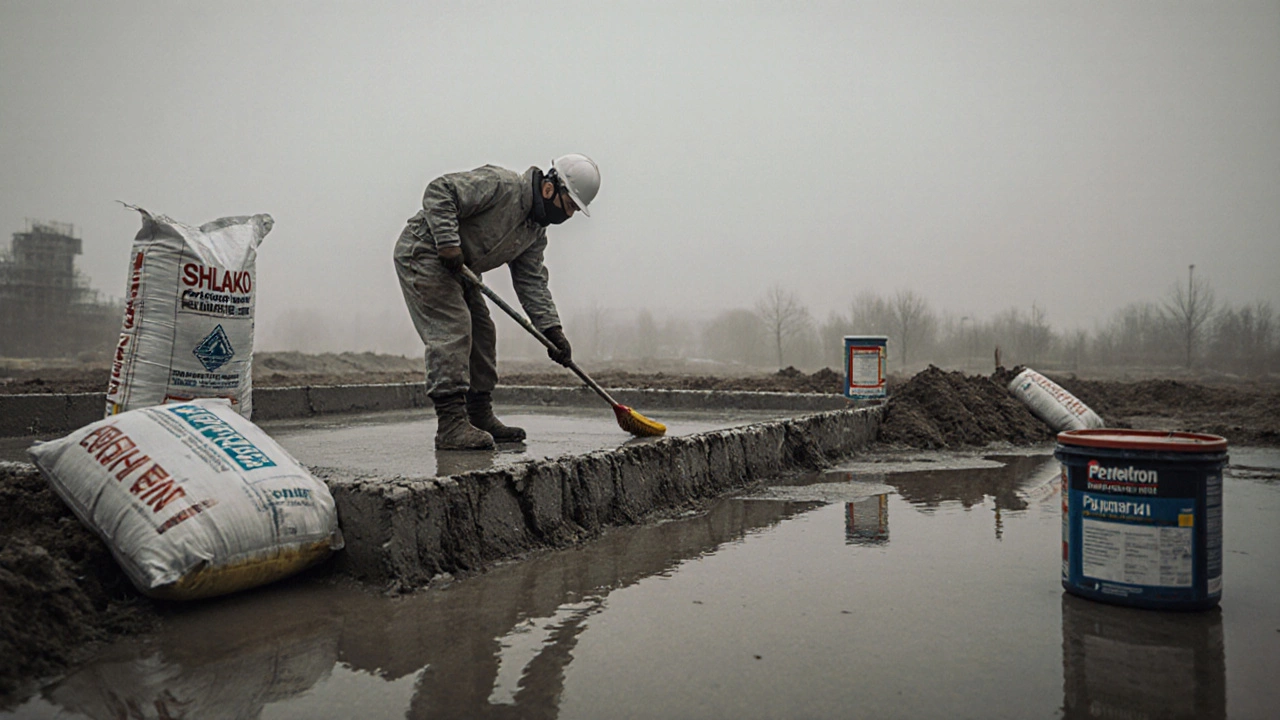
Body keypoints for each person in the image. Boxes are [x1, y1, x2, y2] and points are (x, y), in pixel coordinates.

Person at [394, 154, 601, 450]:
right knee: (454, 329)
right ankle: (450, 425)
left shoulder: (535, 232)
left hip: (462, 269)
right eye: (569, 207)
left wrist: (552, 330)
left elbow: (532, 283)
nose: (568, 216)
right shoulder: (501, 186)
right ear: (549, 189)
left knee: (483, 332)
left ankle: (478, 414)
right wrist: (448, 242)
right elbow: (440, 190)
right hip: (425, 252)